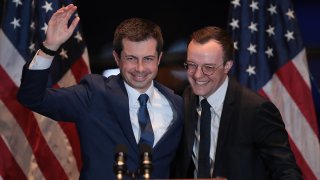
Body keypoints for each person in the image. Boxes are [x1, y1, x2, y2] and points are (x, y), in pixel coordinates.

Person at [17, 4, 183, 179]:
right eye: (131, 58)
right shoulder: (94, 93)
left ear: (159, 59)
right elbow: (32, 97)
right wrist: (49, 47)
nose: (140, 68)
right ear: (117, 58)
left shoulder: (177, 105)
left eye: (148, 59)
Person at [171, 26, 302, 179]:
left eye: (208, 67)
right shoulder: (184, 100)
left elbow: (287, 173)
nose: (197, 75)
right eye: (191, 65)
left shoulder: (256, 110)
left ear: (227, 66)